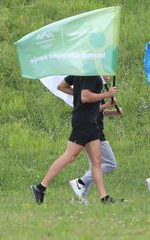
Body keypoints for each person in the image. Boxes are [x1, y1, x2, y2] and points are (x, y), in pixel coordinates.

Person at [30, 75, 118, 204]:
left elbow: (61, 86)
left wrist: (105, 103)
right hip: (83, 122)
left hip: (91, 122)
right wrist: (106, 94)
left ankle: (104, 197)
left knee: (96, 161)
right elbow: (85, 97)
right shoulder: (90, 75)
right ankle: (40, 187)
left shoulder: (79, 72)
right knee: (70, 156)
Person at [67, 76, 122, 204]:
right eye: (105, 73)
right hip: (93, 130)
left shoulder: (97, 87)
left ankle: (79, 198)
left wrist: (113, 112)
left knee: (95, 165)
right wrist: (107, 100)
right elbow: (93, 109)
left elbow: (100, 111)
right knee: (109, 164)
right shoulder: (92, 84)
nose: (108, 76)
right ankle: (80, 181)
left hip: (94, 129)